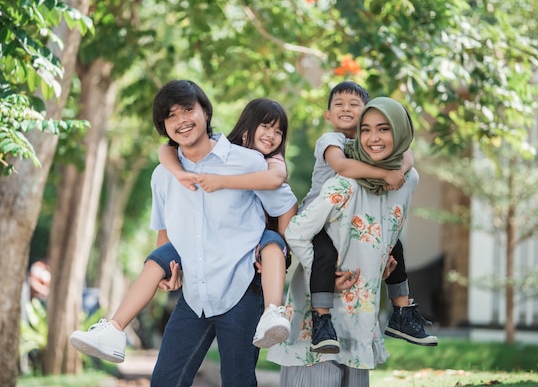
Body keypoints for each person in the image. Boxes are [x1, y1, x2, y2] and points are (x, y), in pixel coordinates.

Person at [82, 80, 296, 387]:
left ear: (205, 112)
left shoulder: (247, 161)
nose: (181, 120)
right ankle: (112, 329)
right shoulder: (163, 175)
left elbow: (286, 203)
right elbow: (165, 231)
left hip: (241, 289)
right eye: (171, 115)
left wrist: (279, 250)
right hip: (194, 294)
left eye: (188, 110)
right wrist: (169, 273)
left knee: (238, 382)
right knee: (166, 381)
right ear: (164, 126)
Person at [267, 96, 418, 386]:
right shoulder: (344, 178)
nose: (374, 137)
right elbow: (297, 232)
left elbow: (406, 163)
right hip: (321, 315)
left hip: (360, 321)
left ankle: (403, 310)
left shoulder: (405, 180)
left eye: (384, 129)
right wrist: (320, 272)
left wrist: (379, 261)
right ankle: (321, 318)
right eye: (367, 130)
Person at [299, 81, 436, 353]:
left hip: (353, 220)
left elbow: (406, 152)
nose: (346, 109)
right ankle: (321, 320)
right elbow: (341, 166)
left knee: (394, 244)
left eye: (354, 104)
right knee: (325, 257)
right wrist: (386, 174)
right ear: (328, 115)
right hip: (322, 222)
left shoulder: (368, 144)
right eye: (339, 104)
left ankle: (402, 312)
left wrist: (400, 171)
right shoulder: (332, 141)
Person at [157, 97, 294, 349]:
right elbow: (166, 149)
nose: (272, 136)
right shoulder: (223, 154)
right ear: (246, 128)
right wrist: (178, 173)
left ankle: (273, 312)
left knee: (273, 244)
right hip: (212, 265)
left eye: (278, 131)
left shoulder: (270, 162)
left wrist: (284, 250)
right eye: (265, 127)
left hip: (261, 242)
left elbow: (281, 190)